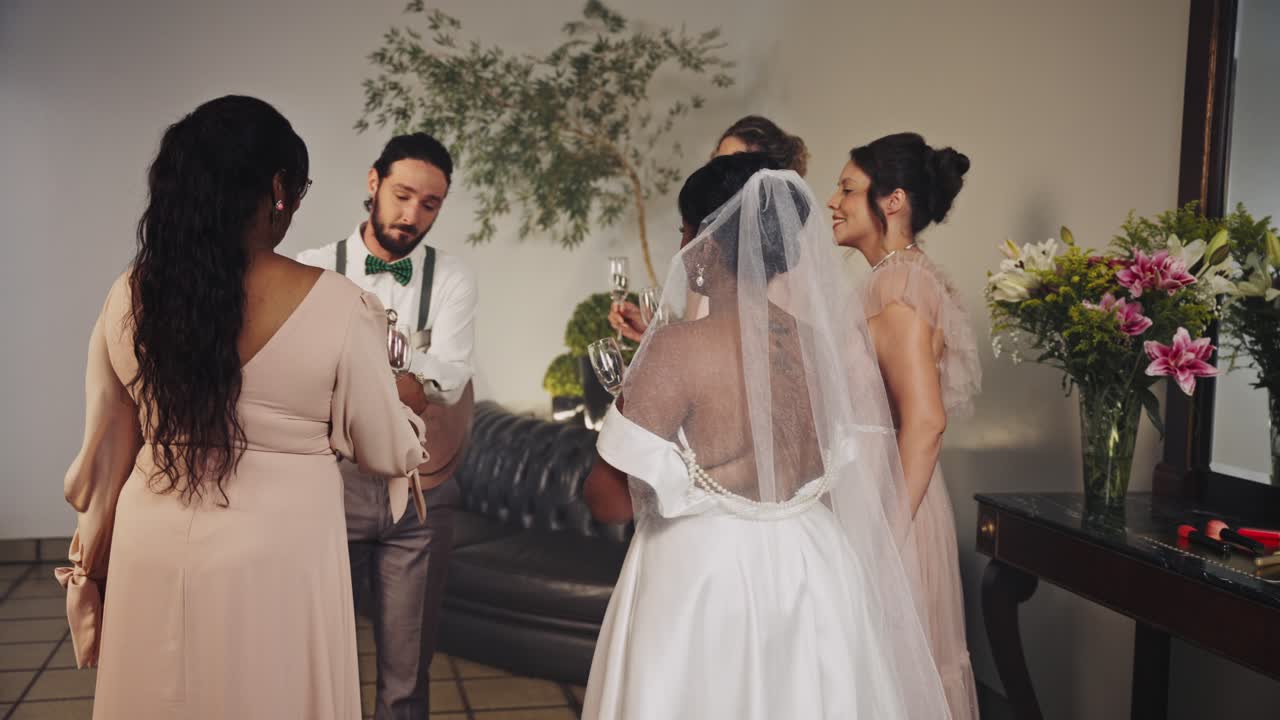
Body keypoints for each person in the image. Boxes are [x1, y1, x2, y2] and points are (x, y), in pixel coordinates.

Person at [57, 95, 430, 719]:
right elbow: (386, 448)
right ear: (278, 188)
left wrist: (90, 561)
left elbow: (108, 446)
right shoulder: (339, 304)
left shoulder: (129, 293)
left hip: (151, 537)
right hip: (280, 549)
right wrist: (406, 398)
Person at [580, 153, 950, 719]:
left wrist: (632, 411)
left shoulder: (676, 348)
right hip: (815, 567)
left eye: (684, 230)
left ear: (706, 240)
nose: (682, 246)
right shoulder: (820, 345)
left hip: (706, 581)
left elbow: (606, 499)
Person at [297, 132, 478, 719]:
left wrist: (373, 358)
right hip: (329, 485)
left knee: (406, 677)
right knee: (317, 660)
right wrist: (405, 368)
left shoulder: (452, 278)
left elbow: (449, 380)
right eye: (403, 195)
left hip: (420, 492)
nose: (412, 215)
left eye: (430, 204)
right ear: (373, 183)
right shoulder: (311, 268)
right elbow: (301, 377)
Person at [829, 131, 982, 720]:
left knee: (881, 679)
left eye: (847, 188)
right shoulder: (894, 277)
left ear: (892, 201)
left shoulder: (897, 283)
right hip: (873, 491)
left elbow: (924, 422)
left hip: (888, 504)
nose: (833, 201)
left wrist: (885, 539)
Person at [609, 115, 809, 342]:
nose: (718, 174)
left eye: (733, 163)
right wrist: (655, 334)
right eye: (716, 162)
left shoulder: (785, 271)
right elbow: (699, 343)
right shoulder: (705, 258)